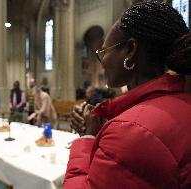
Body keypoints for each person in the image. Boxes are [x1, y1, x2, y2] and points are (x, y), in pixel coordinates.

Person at [65, 1, 191, 189]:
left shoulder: (131, 131)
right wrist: (100, 123)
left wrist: (87, 138)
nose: (102, 62)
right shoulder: (182, 101)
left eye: (104, 52)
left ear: (130, 50)